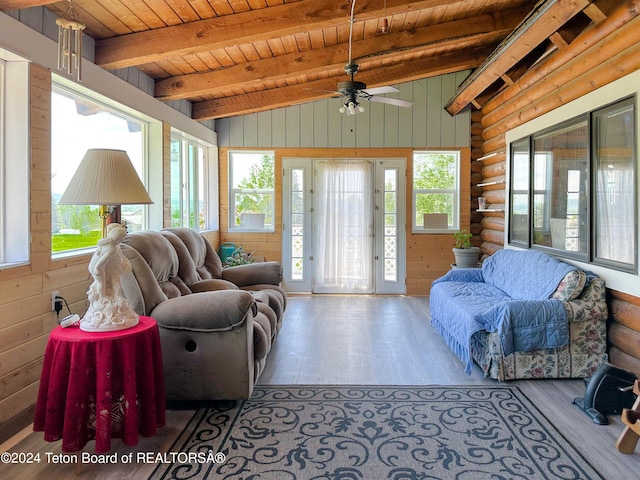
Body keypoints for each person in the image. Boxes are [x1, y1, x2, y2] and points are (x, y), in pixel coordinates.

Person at [81, 223, 139, 331]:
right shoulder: (111, 248)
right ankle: (103, 298)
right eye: (123, 237)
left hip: (108, 267)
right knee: (101, 283)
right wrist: (99, 272)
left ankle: (113, 297)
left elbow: (119, 255)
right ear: (118, 238)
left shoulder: (107, 243)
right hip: (99, 268)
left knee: (114, 282)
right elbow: (101, 263)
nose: (124, 239)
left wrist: (125, 262)